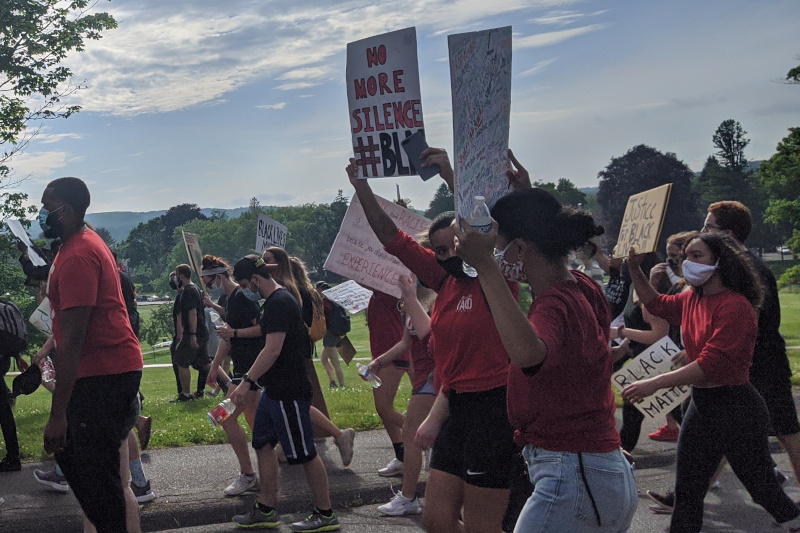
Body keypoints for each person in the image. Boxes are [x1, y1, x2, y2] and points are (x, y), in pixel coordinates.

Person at [452, 175, 637, 531]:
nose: (495, 256)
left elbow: (528, 354)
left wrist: (486, 267)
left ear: (520, 248)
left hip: (574, 475)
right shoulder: (580, 286)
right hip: (590, 470)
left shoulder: (554, 304)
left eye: (498, 246)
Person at [347, 149, 517, 533]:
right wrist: (361, 187)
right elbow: (393, 238)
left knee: (481, 524)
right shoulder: (445, 281)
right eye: (440, 251)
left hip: (495, 408)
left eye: (455, 246)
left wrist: (450, 177)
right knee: (436, 520)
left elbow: (486, 226)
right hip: (454, 404)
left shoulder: (497, 277)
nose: (449, 256)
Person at [622, 232, 800, 532]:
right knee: (688, 491)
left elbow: (710, 365)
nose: (686, 263)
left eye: (696, 256)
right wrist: (634, 269)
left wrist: (654, 383)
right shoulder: (693, 298)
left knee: (762, 487)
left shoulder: (735, 306)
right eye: (684, 257)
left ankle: (793, 520)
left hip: (736, 408)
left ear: (720, 262)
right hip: (702, 405)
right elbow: (656, 305)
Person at [38, 177, 143, 532]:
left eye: (46, 206)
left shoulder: (78, 255)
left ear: (64, 211)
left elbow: (74, 337)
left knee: (93, 477)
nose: (41, 214)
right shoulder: (82, 242)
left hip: (102, 376)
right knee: (98, 477)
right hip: (111, 372)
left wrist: (58, 415)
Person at [228, 255, 339, 532]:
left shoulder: (278, 303)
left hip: (287, 390)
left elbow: (272, 349)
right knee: (262, 443)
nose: (245, 289)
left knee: (304, 453)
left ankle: (325, 513)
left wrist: (246, 382)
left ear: (254, 279)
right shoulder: (275, 302)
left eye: (244, 284)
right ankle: (265, 508)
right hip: (272, 390)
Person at [702, 201, 800, 482]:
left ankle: (689, 496)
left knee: (787, 434)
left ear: (729, 235)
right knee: (723, 432)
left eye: (709, 227)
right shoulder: (737, 269)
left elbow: (749, 323)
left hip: (765, 365)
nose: (703, 231)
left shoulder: (751, 272)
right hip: (748, 364)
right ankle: (689, 496)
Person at [367, 273, 437, 516]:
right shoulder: (411, 305)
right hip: (424, 380)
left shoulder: (436, 303)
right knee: (420, 437)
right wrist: (378, 362)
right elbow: (405, 343)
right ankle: (423, 496)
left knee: (411, 436)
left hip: (434, 380)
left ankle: (409, 497)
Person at [202, 255, 261, 497]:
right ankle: (273, 460)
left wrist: (234, 332)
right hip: (242, 370)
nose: (209, 287)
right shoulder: (230, 299)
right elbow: (227, 338)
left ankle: (248, 475)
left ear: (218, 276)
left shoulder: (243, 297)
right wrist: (215, 367)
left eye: (208, 282)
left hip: (251, 370)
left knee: (224, 417)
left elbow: (262, 329)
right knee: (254, 420)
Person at [171, 264, 214, 401]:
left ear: (182, 276)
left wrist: (192, 335)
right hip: (201, 332)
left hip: (193, 332)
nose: (177, 278)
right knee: (206, 363)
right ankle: (228, 384)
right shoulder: (195, 288)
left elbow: (192, 313)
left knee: (181, 361)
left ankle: (186, 394)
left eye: (177, 276)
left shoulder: (189, 291)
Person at [0, 298, 28, 473]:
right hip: (4, 359)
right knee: (3, 410)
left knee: (3, 411)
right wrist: (17, 356)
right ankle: (13, 457)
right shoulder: (4, 306)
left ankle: (13, 458)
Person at [315, 281, 347, 389]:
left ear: (320, 289)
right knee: (323, 359)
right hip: (335, 333)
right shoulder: (333, 300)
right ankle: (332, 382)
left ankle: (342, 386)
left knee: (335, 362)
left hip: (330, 334)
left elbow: (323, 316)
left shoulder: (325, 302)